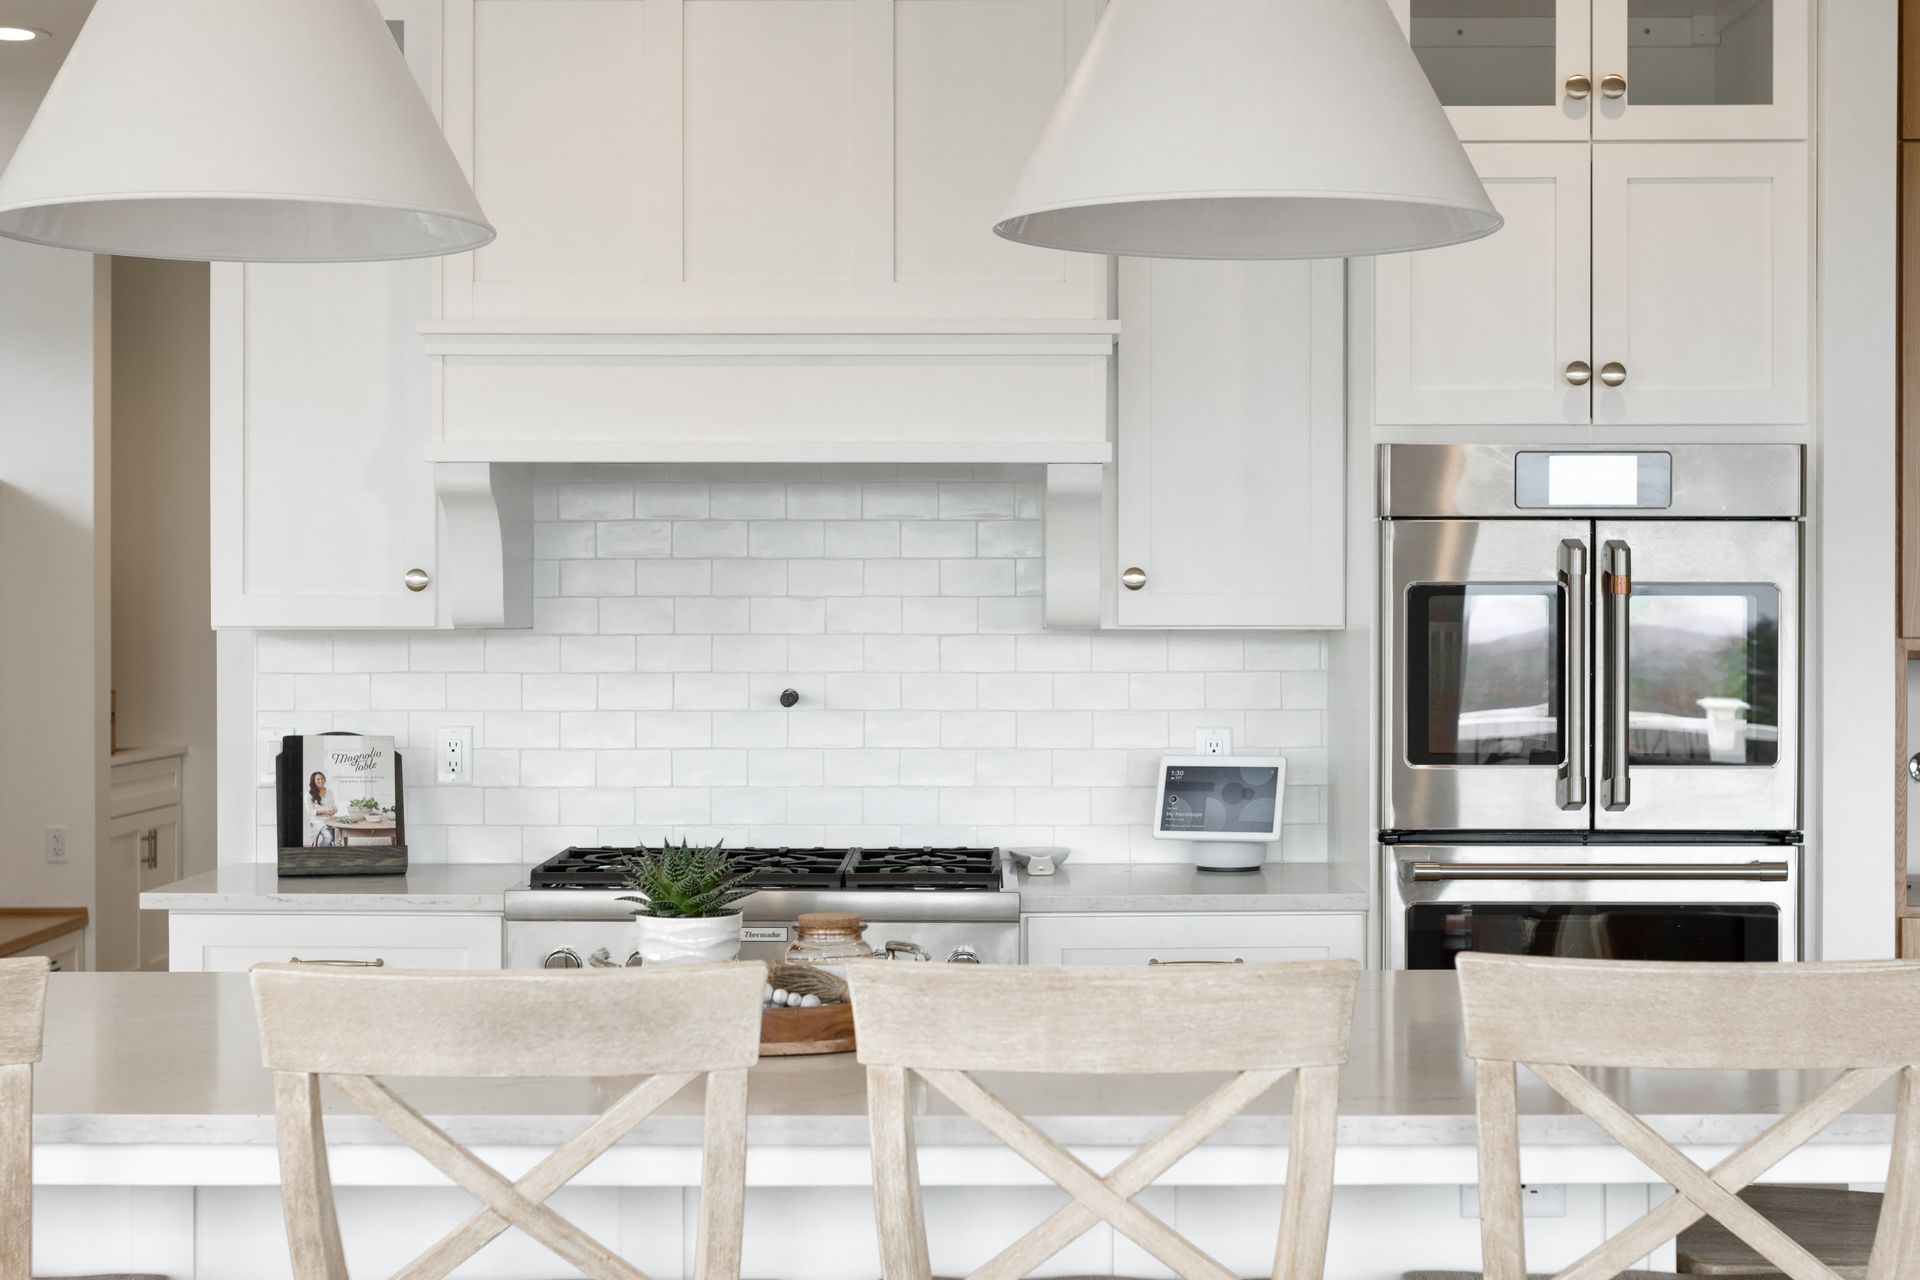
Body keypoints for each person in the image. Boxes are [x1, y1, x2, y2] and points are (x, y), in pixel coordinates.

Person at [306, 771, 338, 847]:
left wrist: (334, 810)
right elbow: (310, 811)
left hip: (330, 820)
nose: (321, 781)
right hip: (318, 822)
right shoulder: (308, 794)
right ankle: (320, 851)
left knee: (338, 836)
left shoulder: (330, 791)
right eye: (318, 779)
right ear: (313, 781)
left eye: (322, 778)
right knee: (329, 837)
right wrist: (324, 812)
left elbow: (333, 805)